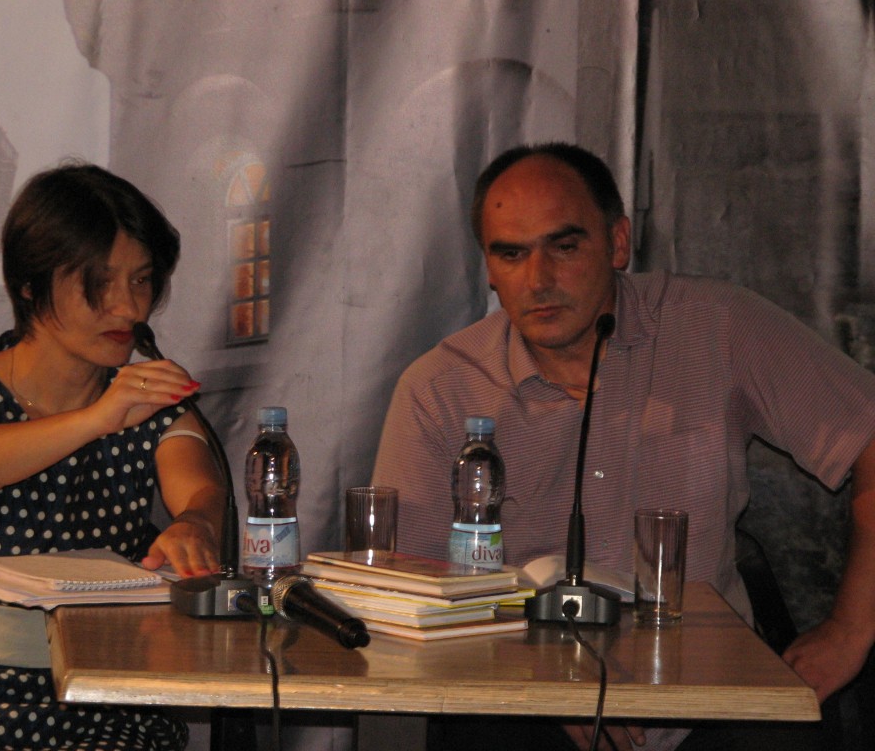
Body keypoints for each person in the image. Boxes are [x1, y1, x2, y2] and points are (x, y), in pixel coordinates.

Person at [372, 143, 875, 751]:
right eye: (512, 253)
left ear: (617, 243)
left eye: (564, 246)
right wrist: (545, 683)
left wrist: (852, 629)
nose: (539, 280)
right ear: (489, 268)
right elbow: (408, 593)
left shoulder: (715, 327)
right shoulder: (441, 388)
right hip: (522, 695)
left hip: (707, 696)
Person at [0, 163, 224, 750]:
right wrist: (95, 419)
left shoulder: (148, 403)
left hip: (98, 692)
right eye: (99, 282)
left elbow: (200, 488)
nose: (128, 308)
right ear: (30, 285)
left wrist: (195, 524)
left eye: (142, 280)